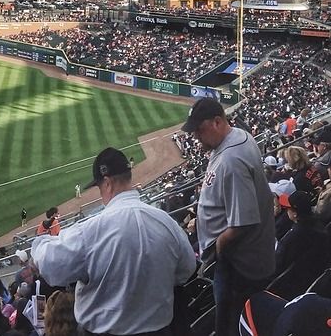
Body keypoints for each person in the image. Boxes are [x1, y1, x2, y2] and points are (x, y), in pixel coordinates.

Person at [31, 147, 197, 336]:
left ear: (107, 183)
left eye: (100, 187)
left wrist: (38, 243)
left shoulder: (91, 230)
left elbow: (50, 266)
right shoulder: (166, 221)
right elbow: (187, 268)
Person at [183, 98, 275, 336]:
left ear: (217, 122)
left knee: (229, 322)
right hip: (247, 257)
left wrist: (219, 248)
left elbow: (243, 222)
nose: (196, 137)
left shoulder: (232, 160)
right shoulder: (237, 137)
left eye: (199, 130)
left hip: (238, 264)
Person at [269, 190, 331, 300]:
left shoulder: (295, 235)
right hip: (310, 280)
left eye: (288, 208)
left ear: (295, 213)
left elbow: (277, 264)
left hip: (288, 287)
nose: (286, 210)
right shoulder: (320, 227)